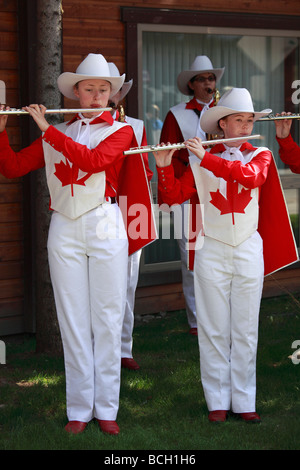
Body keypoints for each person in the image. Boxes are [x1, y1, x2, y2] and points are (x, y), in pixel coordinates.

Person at [0, 53, 154, 435]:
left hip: (105, 223)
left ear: (112, 94)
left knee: (106, 318)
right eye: (89, 89)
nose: (97, 96)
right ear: (75, 92)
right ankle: (79, 409)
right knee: (72, 320)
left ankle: (107, 409)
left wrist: (46, 129)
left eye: (105, 90)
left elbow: (94, 161)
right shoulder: (60, 131)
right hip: (64, 226)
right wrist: (2, 130)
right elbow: (14, 167)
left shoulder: (123, 131)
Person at [154, 88, 298, 423]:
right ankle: (217, 400)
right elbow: (173, 196)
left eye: (250, 120)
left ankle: (245, 401)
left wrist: (206, 159)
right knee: (213, 327)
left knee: (245, 329)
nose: (246, 126)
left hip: (248, 247)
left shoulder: (260, 154)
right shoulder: (198, 157)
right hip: (211, 248)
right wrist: (163, 166)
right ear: (223, 124)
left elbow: (250, 179)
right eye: (239, 120)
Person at [160, 55, 225, 335]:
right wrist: (174, 192)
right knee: (191, 256)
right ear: (192, 84)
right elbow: (169, 154)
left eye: (212, 78)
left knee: (219, 250)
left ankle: (219, 313)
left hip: (218, 187)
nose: (209, 83)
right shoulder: (176, 113)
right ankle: (196, 320)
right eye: (203, 79)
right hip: (187, 188)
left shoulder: (224, 109)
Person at [108, 62, 153, 371]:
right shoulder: (75, 125)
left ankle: (124, 348)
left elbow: (145, 171)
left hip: (128, 209)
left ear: (120, 93)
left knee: (126, 283)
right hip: (97, 208)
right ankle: (100, 348)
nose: (108, 95)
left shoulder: (135, 125)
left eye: (113, 89)